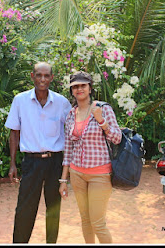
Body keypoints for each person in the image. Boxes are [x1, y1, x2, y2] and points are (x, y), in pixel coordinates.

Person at [5, 62, 72, 243]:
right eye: (39, 75)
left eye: (46, 76)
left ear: (52, 78)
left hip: (55, 162)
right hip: (31, 162)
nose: (43, 79)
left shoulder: (61, 102)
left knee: (53, 209)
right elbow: (14, 132)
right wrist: (12, 163)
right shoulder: (20, 101)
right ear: (32, 76)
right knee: (25, 208)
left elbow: (72, 131)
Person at [58, 71, 122, 244]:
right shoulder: (71, 114)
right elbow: (68, 149)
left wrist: (102, 121)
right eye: (75, 86)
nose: (79, 89)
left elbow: (117, 138)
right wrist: (64, 180)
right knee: (85, 221)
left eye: (82, 85)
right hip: (77, 174)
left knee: (98, 223)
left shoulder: (103, 108)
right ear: (71, 90)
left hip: (99, 175)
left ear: (90, 88)